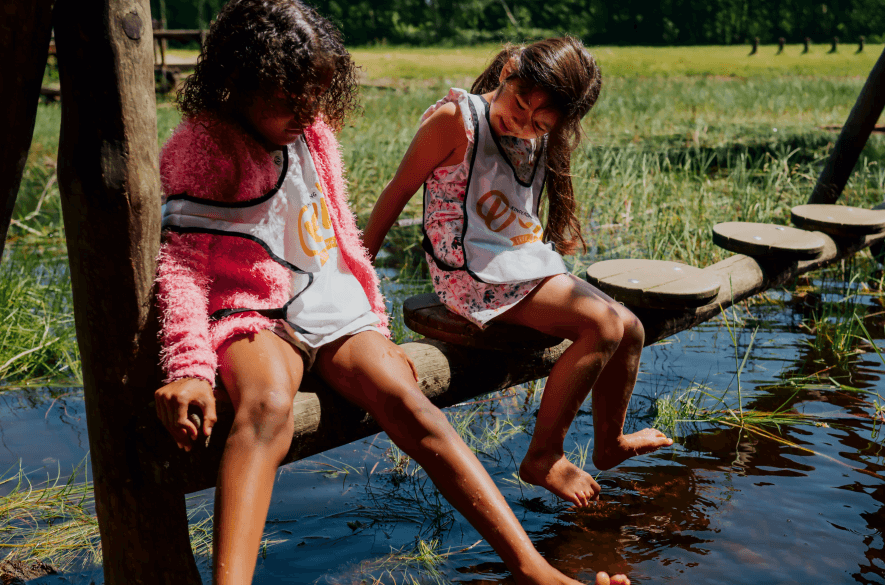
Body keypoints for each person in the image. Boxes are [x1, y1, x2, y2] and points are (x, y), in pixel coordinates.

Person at [152, 1, 631, 584]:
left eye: (315, 101)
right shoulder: (204, 148)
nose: (306, 115)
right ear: (238, 85)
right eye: (289, 104)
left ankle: (529, 567)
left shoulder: (313, 130)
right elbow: (179, 264)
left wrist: (372, 320)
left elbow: (337, 236)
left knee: (410, 403)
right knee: (266, 406)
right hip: (253, 311)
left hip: (329, 305)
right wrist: (191, 365)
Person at [363, 38, 673, 508]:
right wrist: (360, 282)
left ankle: (609, 445)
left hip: (518, 263)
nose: (522, 123)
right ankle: (543, 456)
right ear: (509, 70)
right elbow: (396, 192)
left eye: (540, 123)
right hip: (470, 272)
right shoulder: (455, 121)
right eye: (520, 104)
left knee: (630, 328)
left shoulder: (540, 136)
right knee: (604, 324)